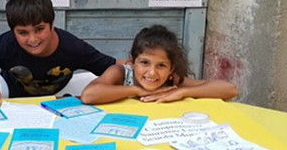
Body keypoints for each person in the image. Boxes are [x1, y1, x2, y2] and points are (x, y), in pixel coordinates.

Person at [0, 0, 117, 98]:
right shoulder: (5, 45)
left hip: (60, 93)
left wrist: (143, 73)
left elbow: (115, 67)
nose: (33, 39)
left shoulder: (73, 47)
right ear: (13, 31)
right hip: (8, 90)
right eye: (23, 33)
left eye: (39, 29)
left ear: (52, 24)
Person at [80, 25, 238, 105]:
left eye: (161, 65)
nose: (152, 73)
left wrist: (182, 92)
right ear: (132, 62)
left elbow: (230, 90)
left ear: (171, 68)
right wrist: (136, 90)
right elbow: (89, 95)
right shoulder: (121, 73)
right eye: (144, 63)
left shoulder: (173, 81)